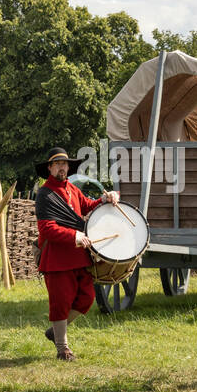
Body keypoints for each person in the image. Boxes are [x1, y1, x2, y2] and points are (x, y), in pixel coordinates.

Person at [34, 147, 120, 361]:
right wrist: (75, 236)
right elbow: (46, 229)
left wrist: (105, 199)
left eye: (65, 164)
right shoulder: (45, 194)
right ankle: (63, 349)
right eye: (58, 164)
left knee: (87, 298)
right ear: (50, 168)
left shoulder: (72, 189)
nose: (62, 167)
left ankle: (54, 333)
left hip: (78, 256)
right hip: (56, 258)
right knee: (60, 302)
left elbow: (87, 206)